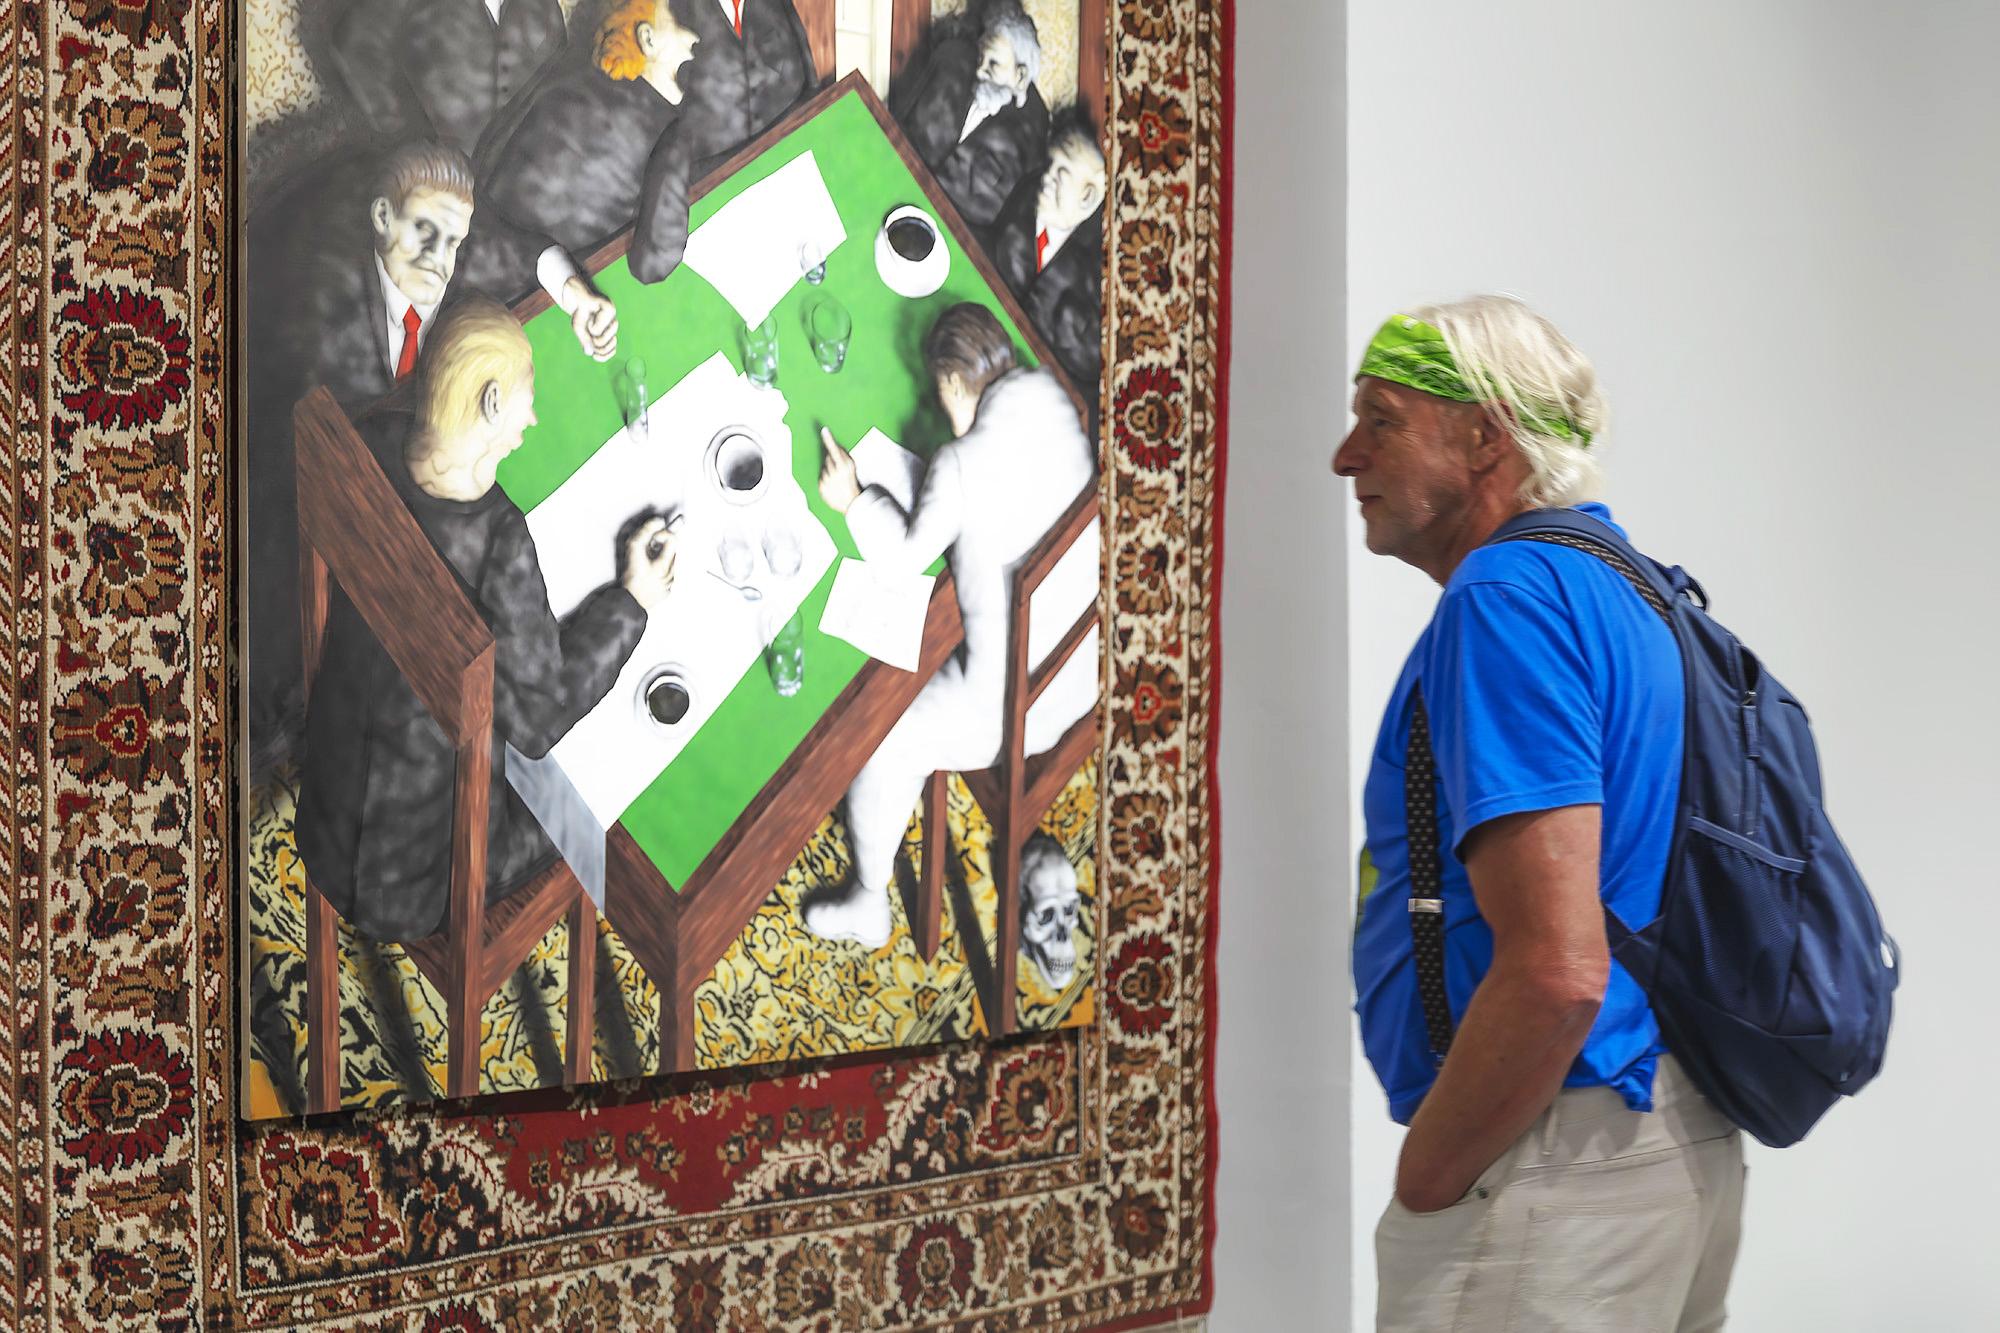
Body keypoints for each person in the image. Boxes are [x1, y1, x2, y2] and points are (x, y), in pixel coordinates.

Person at [1335, 295, 1743, 1330]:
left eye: (1381, 420)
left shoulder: (1505, 598)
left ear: (1484, 436)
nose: (1346, 456)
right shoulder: (1629, 587)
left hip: (1558, 1156)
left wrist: (1432, 1173)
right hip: (1674, 1132)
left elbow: (1558, 972)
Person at [295, 298, 679, 943]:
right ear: (492, 402)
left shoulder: (371, 441)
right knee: (601, 785)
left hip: (326, 821)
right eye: (527, 396)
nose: (534, 416)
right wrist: (632, 600)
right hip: (425, 881)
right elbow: (539, 724)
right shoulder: (500, 540)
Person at [806, 303, 1099, 948]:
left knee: (881, 733)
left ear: (953, 384)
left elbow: (904, 558)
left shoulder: (959, 464)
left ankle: (868, 901)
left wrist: (853, 499)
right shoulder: (1051, 390)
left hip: (1017, 710)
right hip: (1088, 664)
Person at [245, 142, 479, 782]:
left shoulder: (429, 280)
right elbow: (330, 448)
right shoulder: (333, 312)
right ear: (382, 217)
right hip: (281, 480)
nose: (438, 258)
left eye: (453, 243)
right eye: (424, 231)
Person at [457, 0, 705, 341]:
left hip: (481, 274)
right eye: (680, 20)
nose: (694, 38)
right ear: (647, 38)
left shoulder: (565, 75)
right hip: (541, 317)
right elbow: (655, 262)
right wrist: (679, 146)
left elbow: (484, 165)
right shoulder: (664, 130)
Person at [328, 0, 569, 156]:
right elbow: (355, 47)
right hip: (452, 188)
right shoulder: (382, 17)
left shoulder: (541, 8)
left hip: (536, 179)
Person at [889, 0, 1049, 229]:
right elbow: (894, 122)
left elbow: (1008, 223)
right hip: (894, 190)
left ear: (1020, 77)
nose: (980, 71)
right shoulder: (951, 60)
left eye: (994, 64)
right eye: (981, 58)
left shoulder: (1031, 131)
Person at [988, 110, 1104, 414]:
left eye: (1060, 175)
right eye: (1049, 166)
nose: (1046, 179)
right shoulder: (1023, 197)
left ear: (1087, 198)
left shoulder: (1098, 272)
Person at [678, 0, 815, 173]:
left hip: (789, 139)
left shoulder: (775, 5)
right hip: (721, 166)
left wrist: (814, 113)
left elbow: (804, 61)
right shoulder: (680, 8)